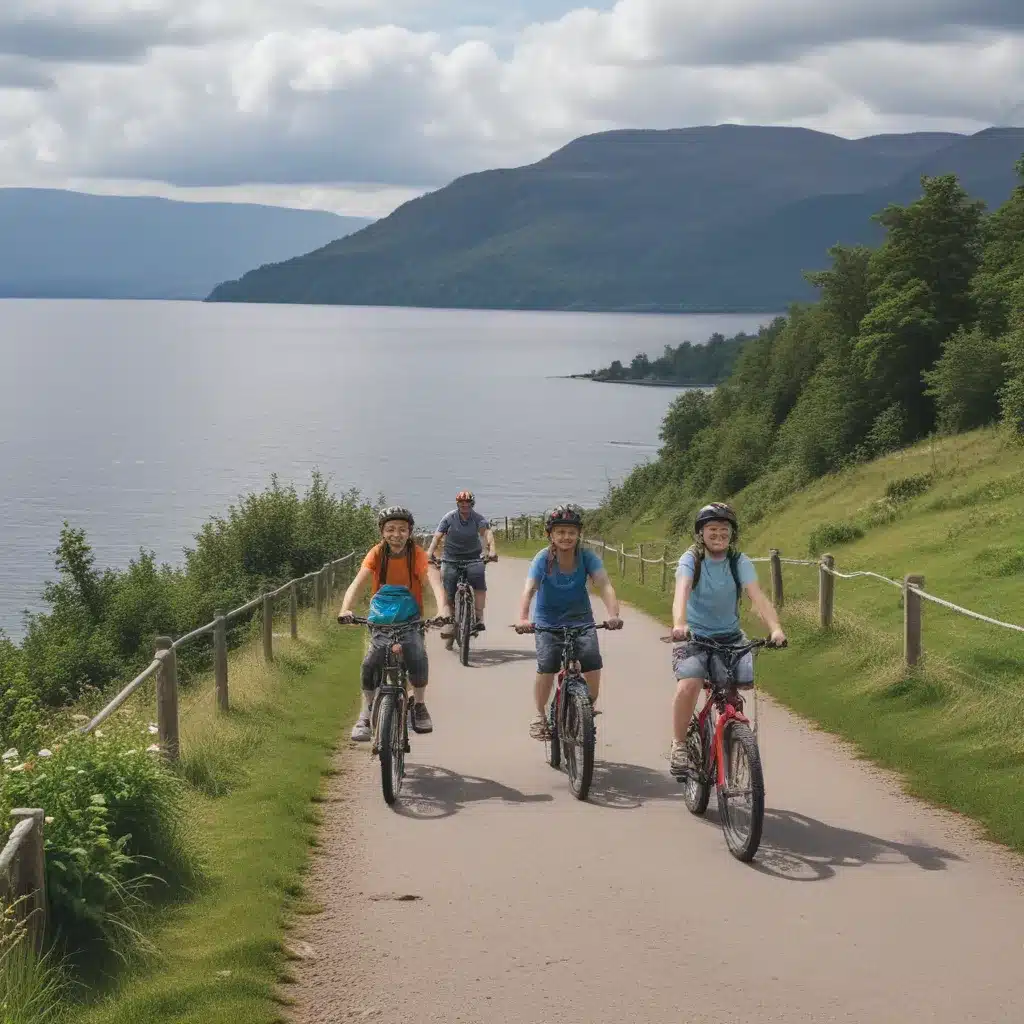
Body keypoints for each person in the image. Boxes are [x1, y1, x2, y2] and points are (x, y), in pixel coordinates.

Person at [669, 502, 786, 772]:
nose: (719, 535)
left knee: (736, 689)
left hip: (730, 637)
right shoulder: (692, 560)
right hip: (694, 637)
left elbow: (756, 596)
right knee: (689, 684)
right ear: (701, 533)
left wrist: (775, 627)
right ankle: (679, 745)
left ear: (732, 534)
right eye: (713, 529)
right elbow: (682, 591)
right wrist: (679, 623)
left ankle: (732, 739)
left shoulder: (738, 561)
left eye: (725, 530)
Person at [338, 506, 451, 742]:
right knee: (370, 663)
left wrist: (443, 609)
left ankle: (419, 704)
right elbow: (358, 582)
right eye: (390, 529)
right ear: (382, 532)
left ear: (409, 532)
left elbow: (434, 581)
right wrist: (345, 608)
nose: (396, 534)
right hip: (380, 620)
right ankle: (366, 712)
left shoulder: (417, 554)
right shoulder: (377, 554)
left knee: (417, 655)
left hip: (410, 620)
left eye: (402, 529)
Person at [516, 504, 623, 740]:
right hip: (548, 622)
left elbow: (604, 584)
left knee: (592, 662)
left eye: (571, 532)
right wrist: (524, 618)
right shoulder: (543, 559)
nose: (566, 537)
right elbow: (529, 588)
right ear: (551, 535)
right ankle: (540, 716)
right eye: (560, 532)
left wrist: (613, 614)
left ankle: (588, 707)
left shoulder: (586, 557)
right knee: (547, 665)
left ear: (578, 535)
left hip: (581, 620)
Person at [426, 490, 496, 645]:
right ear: (457, 504)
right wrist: (430, 552)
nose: (464, 505)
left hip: (473, 558)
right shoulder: (449, 518)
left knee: (479, 583)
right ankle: (450, 621)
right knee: (448, 587)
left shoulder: (478, 518)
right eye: (461, 503)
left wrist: (492, 551)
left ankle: (478, 617)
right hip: (451, 559)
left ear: (472, 504)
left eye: (467, 503)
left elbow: (487, 533)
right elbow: (438, 536)